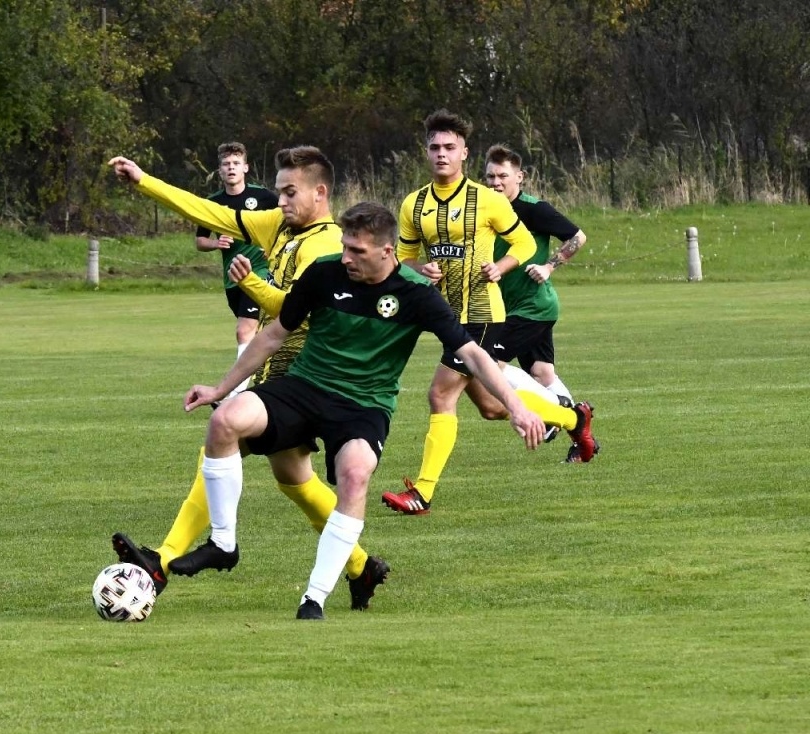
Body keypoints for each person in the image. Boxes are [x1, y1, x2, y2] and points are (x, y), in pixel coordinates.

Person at [174, 201, 544, 620]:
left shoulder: (416, 294)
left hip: (364, 406)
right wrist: (221, 388)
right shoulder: (324, 273)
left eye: (358, 251)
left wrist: (516, 407)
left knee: (354, 474)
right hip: (305, 386)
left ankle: (313, 597)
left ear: (387, 252)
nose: (346, 257)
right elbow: (274, 335)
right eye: (346, 246)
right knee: (225, 421)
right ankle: (223, 544)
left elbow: (472, 355)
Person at [105, 148, 391, 610]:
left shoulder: (327, 245)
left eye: (289, 192)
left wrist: (252, 286)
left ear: (320, 193)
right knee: (292, 477)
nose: (279, 200)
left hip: (306, 374)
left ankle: (162, 562)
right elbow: (209, 211)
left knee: (225, 439)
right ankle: (360, 568)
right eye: (278, 190)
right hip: (280, 368)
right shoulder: (277, 225)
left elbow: (295, 313)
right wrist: (144, 180)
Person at [380, 110, 596, 516]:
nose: (441, 154)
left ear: (463, 152)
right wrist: (419, 268)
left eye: (449, 147)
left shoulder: (489, 200)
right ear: (426, 152)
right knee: (493, 405)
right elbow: (403, 257)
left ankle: (422, 492)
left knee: (440, 393)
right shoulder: (414, 204)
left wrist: (502, 267)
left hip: (482, 312)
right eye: (434, 147)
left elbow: (523, 245)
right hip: (446, 315)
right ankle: (571, 418)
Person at [482, 144, 595, 461]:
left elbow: (578, 237)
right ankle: (581, 436)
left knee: (490, 364)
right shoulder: (485, 211)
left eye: (503, 175)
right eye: (490, 176)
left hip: (533, 307)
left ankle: (557, 413)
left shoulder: (533, 209)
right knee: (543, 374)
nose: (495, 182)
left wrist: (549, 266)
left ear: (520, 176)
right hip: (512, 306)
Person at [196, 142, 281, 359]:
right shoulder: (213, 203)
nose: (231, 167)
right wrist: (216, 244)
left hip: (259, 272)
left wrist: (273, 246)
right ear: (220, 170)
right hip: (232, 277)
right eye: (226, 164)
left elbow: (286, 223)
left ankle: (237, 389)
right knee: (257, 332)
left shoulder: (264, 197)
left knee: (244, 330)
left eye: (236, 163)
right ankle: (269, 377)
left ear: (246, 167)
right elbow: (200, 240)